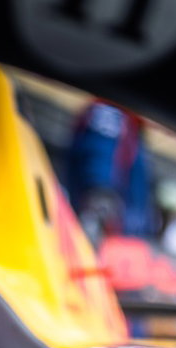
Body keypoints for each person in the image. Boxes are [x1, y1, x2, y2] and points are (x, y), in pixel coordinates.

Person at [64, 99, 155, 244]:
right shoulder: (114, 112)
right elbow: (98, 156)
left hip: (108, 213)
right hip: (102, 205)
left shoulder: (127, 121)